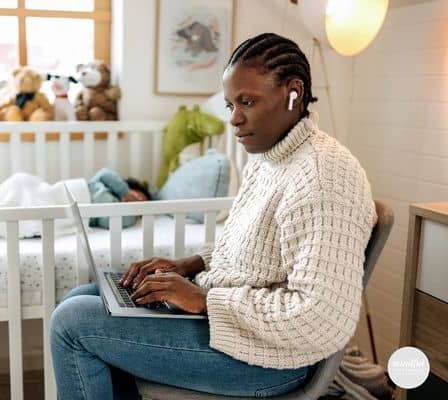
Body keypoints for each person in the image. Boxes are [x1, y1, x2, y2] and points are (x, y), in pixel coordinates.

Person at [49, 32, 377, 399]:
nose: (235, 119)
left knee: (72, 323)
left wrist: (202, 300)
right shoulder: (270, 158)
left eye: (247, 102)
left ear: (293, 93)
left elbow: (319, 318)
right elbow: (249, 252)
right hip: (234, 329)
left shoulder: (324, 175)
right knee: (86, 295)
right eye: (230, 105)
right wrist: (188, 265)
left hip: (267, 359)